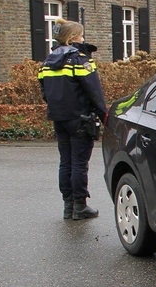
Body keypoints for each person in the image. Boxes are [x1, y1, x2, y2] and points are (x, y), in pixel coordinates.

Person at [38, 21, 108, 220]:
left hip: (58, 118)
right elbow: (94, 92)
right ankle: (80, 205)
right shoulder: (80, 60)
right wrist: (105, 117)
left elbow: (45, 92)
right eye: (81, 36)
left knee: (65, 162)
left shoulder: (47, 62)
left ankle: (68, 206)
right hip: (80, 118)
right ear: (72, 39)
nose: (83, 39)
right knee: (79, 162)